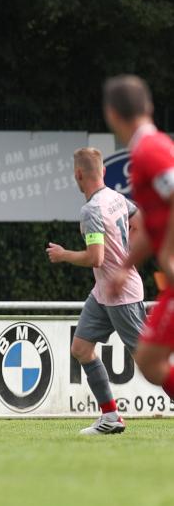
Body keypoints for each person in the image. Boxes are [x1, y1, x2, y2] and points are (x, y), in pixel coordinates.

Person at [46, 147, 144, 435]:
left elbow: (95, 257)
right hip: (103, 292)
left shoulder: (90, 210)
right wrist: (126, 260)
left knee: (150, 361)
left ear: (78, 174)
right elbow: (138, 223)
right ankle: (111, 417)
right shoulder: (116, 197)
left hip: (122, 294)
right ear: (102, 171)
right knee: (81, 348)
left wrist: (63, 255)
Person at [104, 75, 174, 402]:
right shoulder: (146, 151)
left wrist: (168, 255)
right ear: (149, 105)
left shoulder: (150, 150)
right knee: (148, 360)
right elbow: (153, 225)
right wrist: (125, 266)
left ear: (112, 115)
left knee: (149, 360)